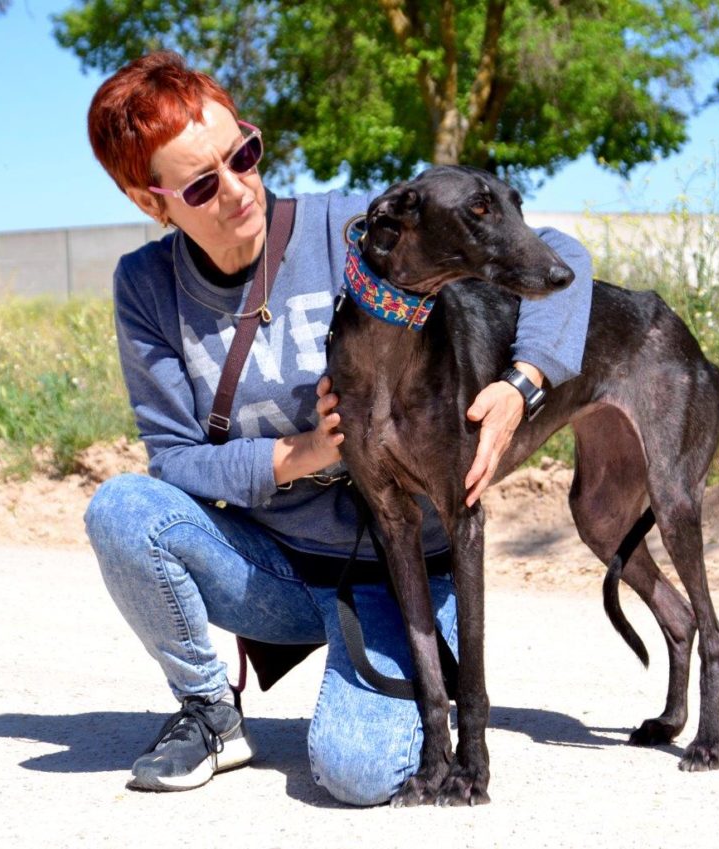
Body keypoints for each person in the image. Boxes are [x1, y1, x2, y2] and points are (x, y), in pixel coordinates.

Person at [84, 50, 594, 806]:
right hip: (273, 571)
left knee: (356, 773)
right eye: (200, 184)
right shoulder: (146, 287)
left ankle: (402, 671)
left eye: (243, 155)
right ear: (149, 200)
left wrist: (526, 382)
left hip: (402, 571)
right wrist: (303, 454)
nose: (237, 190)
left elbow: (562, 255)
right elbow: (175, 460)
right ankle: (210, 712)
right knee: (122, 510)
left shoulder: (351, 228)